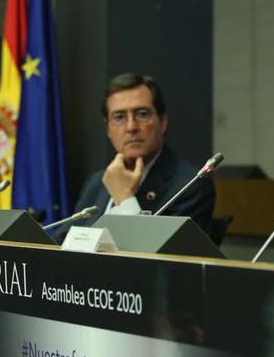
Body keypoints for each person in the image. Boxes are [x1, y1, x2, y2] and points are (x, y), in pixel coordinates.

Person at [55, 73, 215, 240]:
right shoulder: (96, 183)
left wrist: (125, 199)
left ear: (163, 122)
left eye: (142, 114)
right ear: (108, 130)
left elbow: (165, 254)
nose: (131, 127)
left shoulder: (191, 186)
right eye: (119, 117)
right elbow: (61, 242)